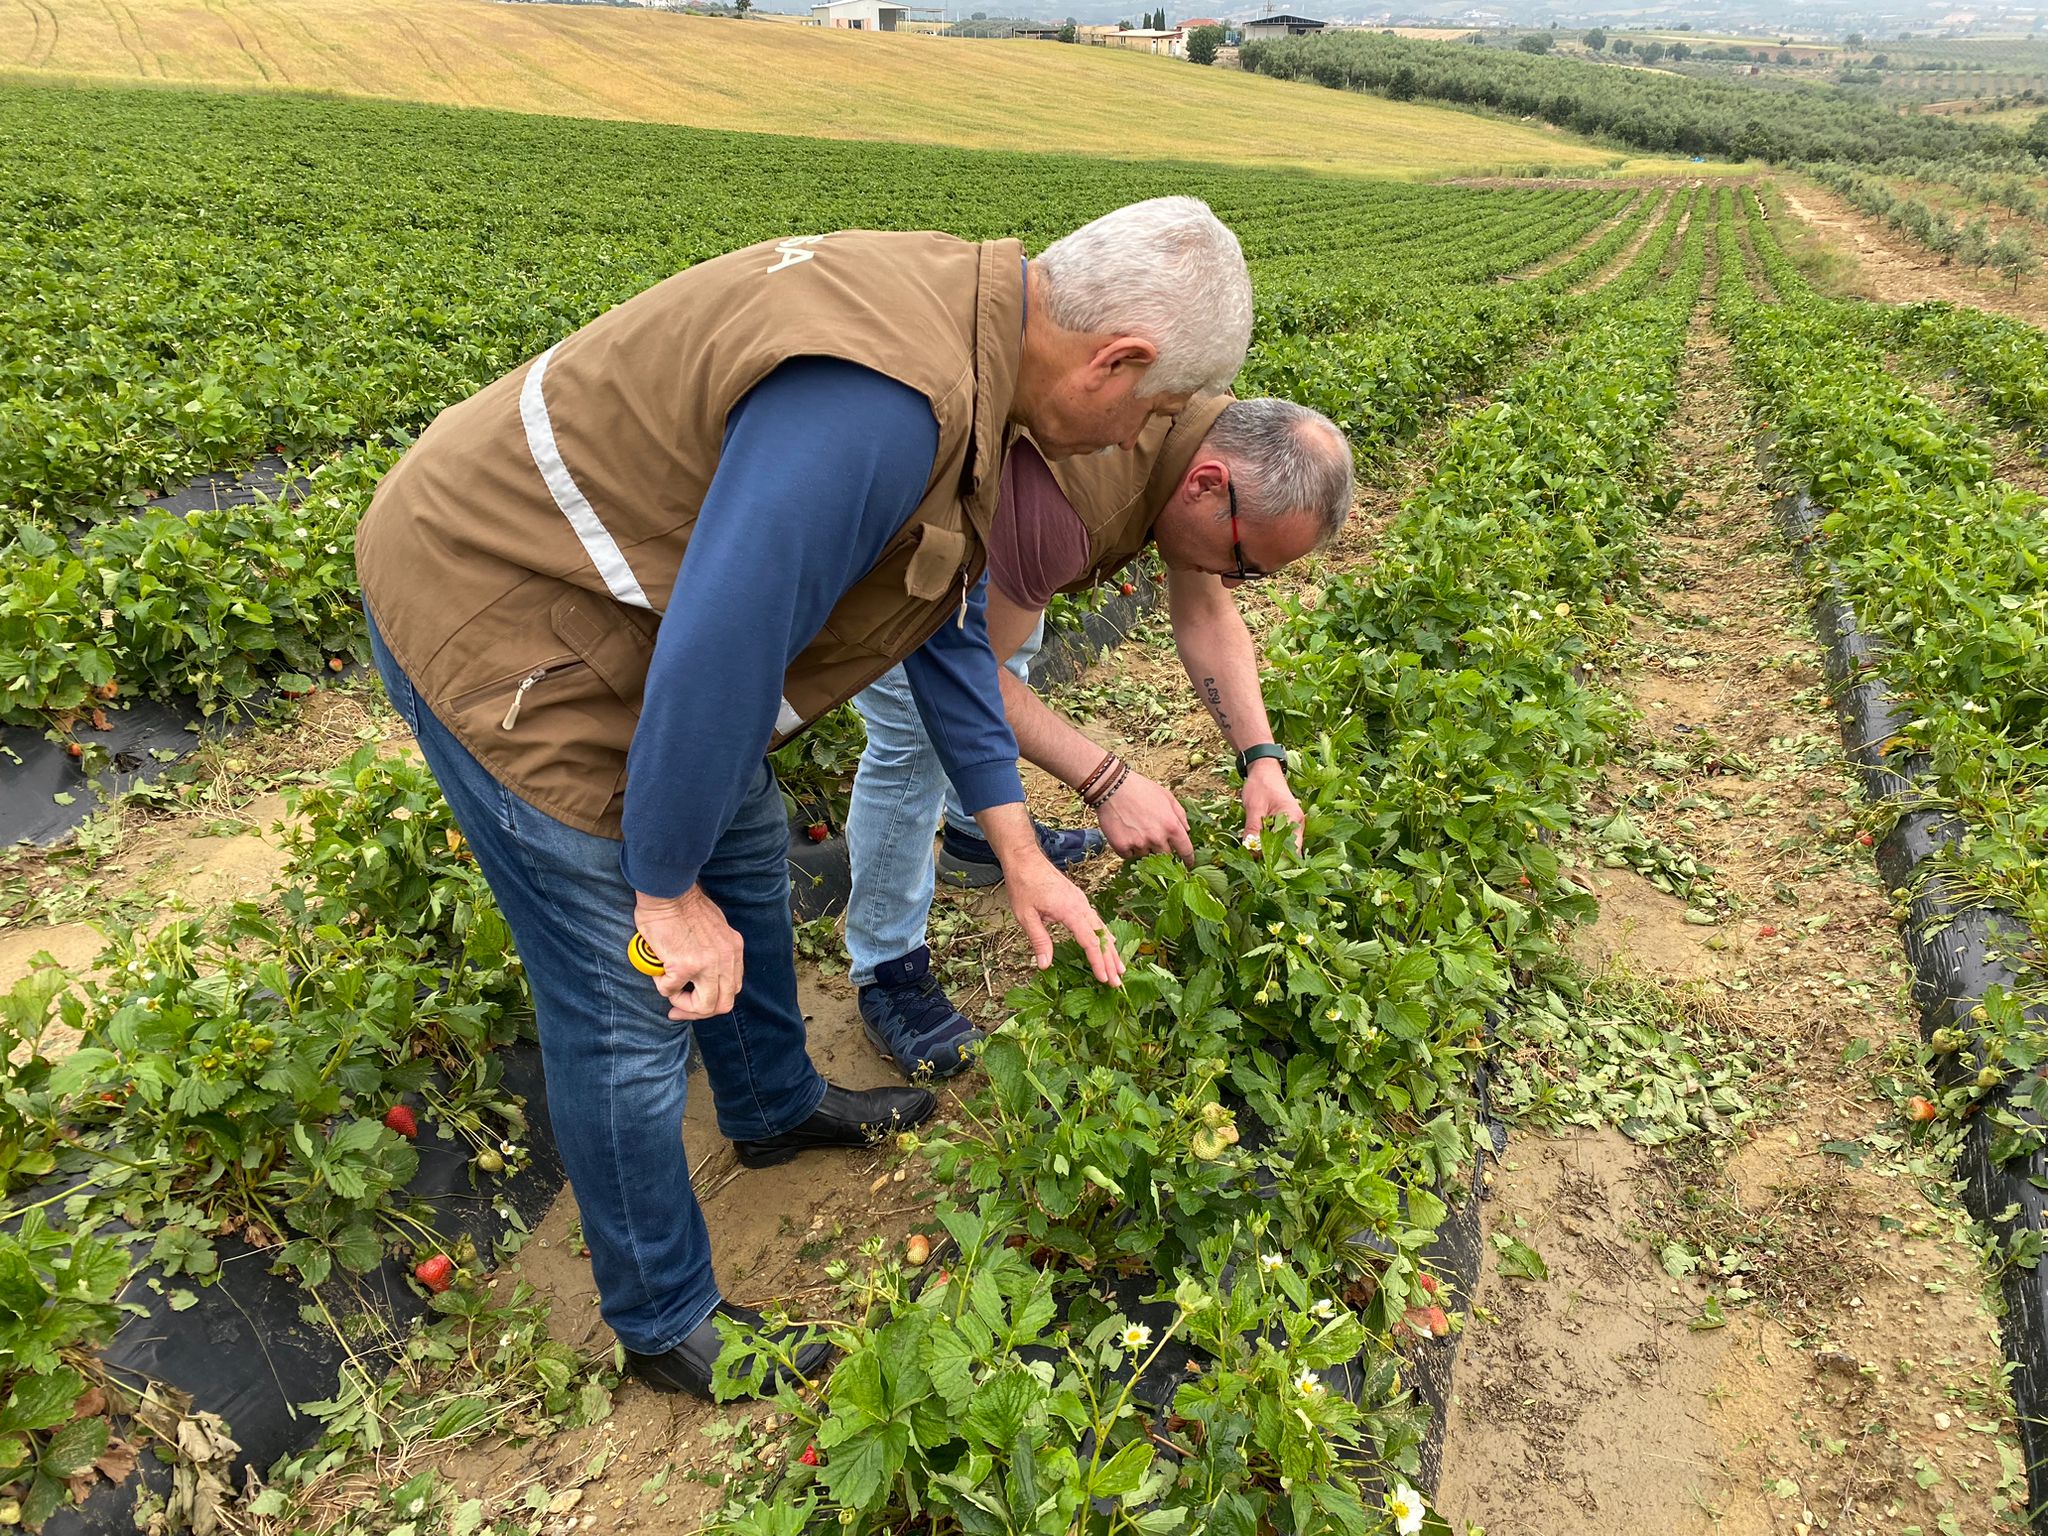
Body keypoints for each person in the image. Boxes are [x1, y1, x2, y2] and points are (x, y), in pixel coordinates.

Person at [354, 198, 1252, 1401]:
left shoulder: (982, 345)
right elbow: (726, 642)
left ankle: (771, 1102)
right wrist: (659, 890)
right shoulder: (887, 397)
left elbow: (921, 612)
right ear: (1118, 359)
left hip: (632, 607)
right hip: (504, 613)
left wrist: (1014, 844)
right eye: (1145, 414)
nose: (1125, 443)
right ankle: (664, 1318)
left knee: (742, 839)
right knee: (629, 993)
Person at [846, 396, 1355, 1078]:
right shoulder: (1070, 501)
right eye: (1243, 561)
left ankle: (972, 835)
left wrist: (1261, 761)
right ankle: (887, 966)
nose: (1235, 579)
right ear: (1207, 485)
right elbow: (964, 680)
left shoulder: (1209, 445)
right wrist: (1106, 780)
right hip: (902, 552)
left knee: (1017, 632)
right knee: (915, 732)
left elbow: (1207, 609)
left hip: (1004, 534)